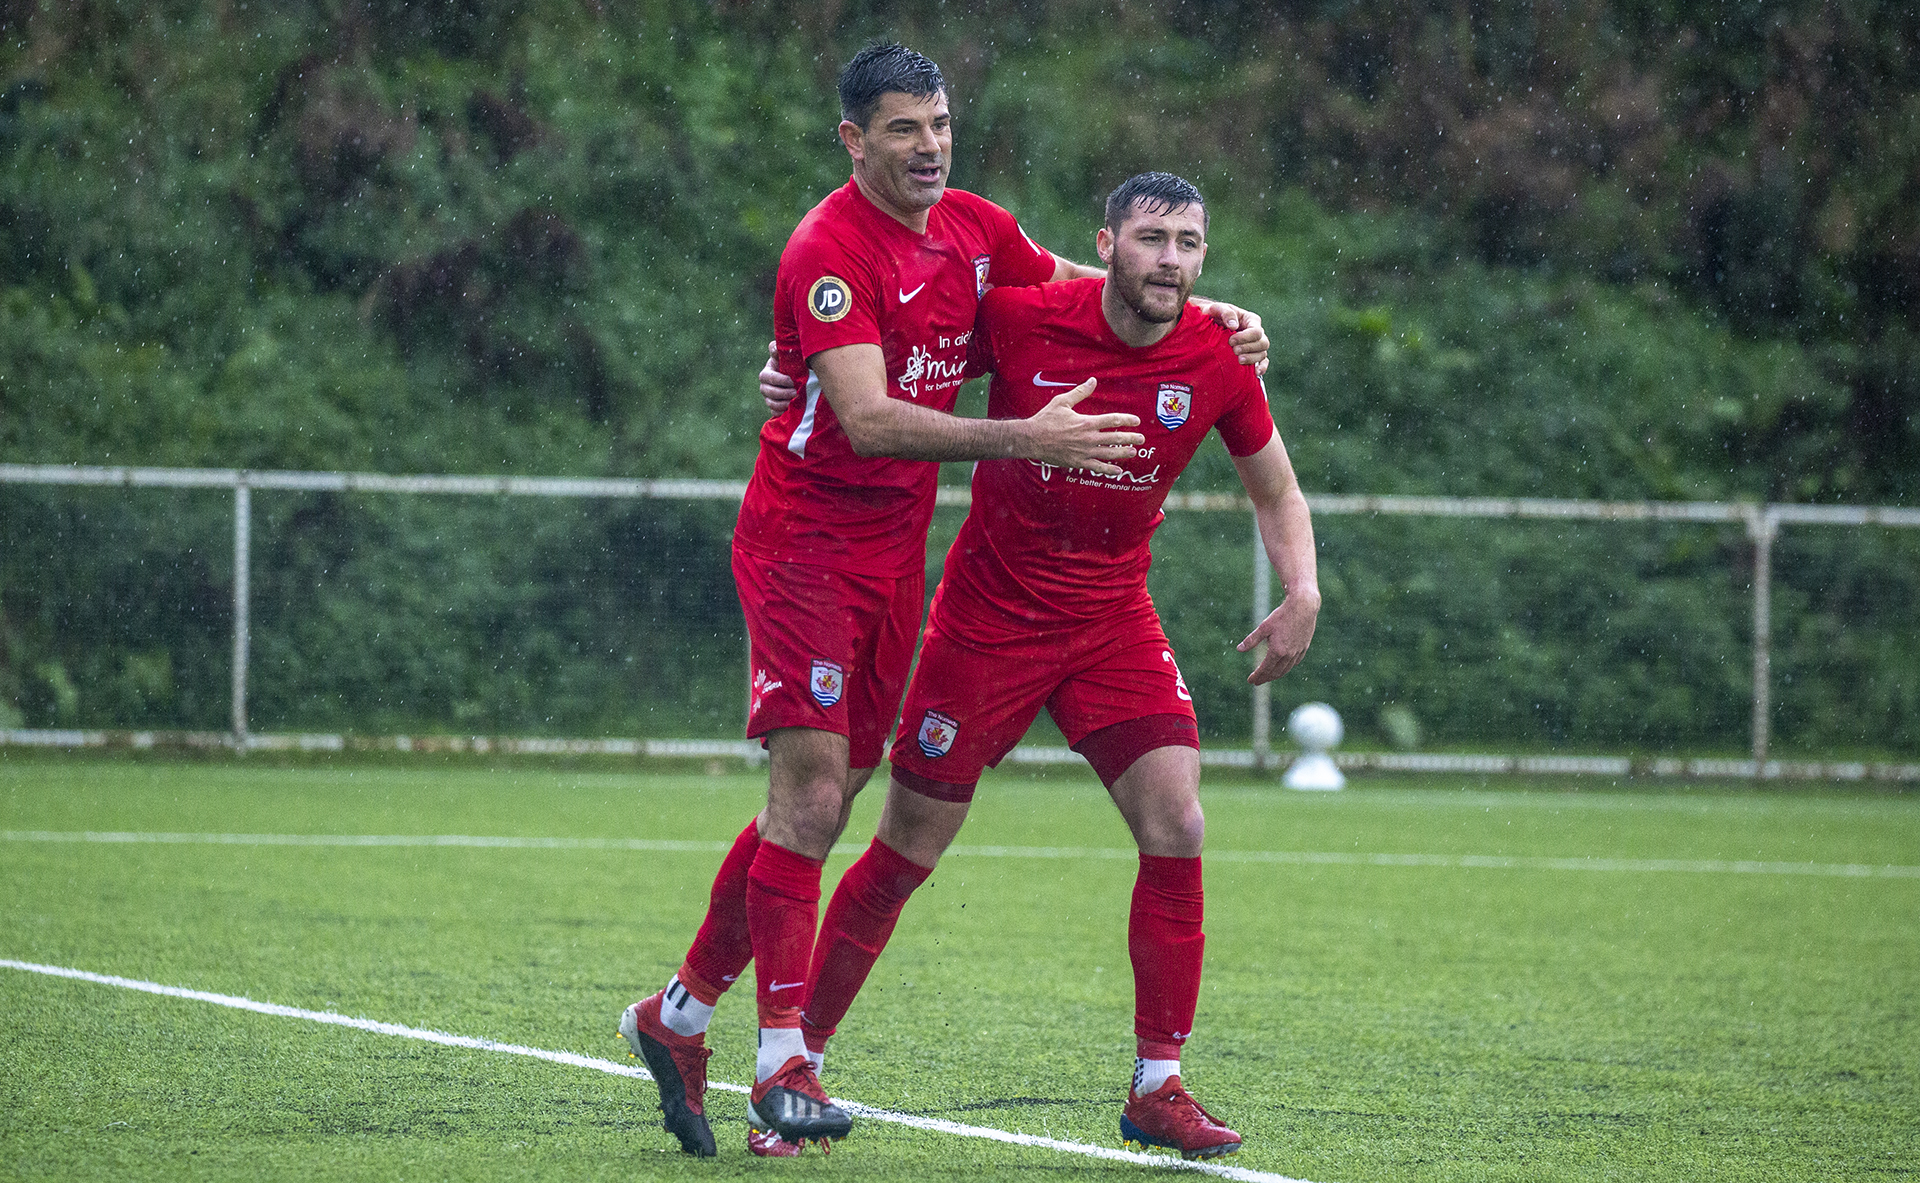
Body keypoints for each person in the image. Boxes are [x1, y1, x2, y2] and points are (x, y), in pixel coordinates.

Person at [617, 46, 1269, 1159]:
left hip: (891, 559)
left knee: (818, 801)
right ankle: (782, 1060)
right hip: (802, 546)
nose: (929, 145)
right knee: (816, 797)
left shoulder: (972, 224)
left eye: (941, 122)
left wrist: (1201, 305)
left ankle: (677, 1017)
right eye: (904, 127)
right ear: (853, 141)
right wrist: (1024, 435)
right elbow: (867, 419)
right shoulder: (827, 251)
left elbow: (1073, 283)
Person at [794, 171, 1321, 1162]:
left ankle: (1157, 1085)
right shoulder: (1027, 319)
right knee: (906, 851)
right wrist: (795, 371)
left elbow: (1277, 491)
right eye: (1153, 237)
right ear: (1108, 243)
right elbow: (904, 362)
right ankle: (794, 1064)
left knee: (1178, 819)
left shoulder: (1216, 352)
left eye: (1189, 243)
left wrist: (1303, 591)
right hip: (986, 623)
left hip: (1111, 620)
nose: (1171, 258)